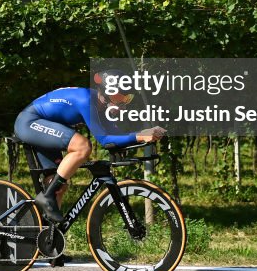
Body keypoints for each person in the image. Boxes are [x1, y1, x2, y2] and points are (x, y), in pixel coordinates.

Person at [13, 75, 166, 225]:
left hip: (43, 125)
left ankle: (48, 240)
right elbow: (105, 139)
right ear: (106, 94)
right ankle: (46, 197)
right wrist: (140, 136)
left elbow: (114, 137)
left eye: (127, 98)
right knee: (82, 146)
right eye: (120, 98)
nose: (123, 104)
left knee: (58, 186)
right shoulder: (86, 101)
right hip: (30, 122)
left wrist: (144, 135)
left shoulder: (101, 106)